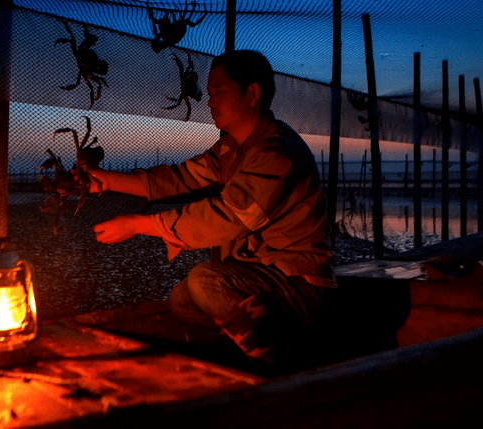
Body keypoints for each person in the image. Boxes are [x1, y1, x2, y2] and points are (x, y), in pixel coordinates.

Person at [87, 50, 336, 370]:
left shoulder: (277, 154)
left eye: (219, 92)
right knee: (183, 298)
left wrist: (140, 224)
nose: (209, 101)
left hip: (302, 289)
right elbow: (181, 178)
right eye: (209, 93)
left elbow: (225, 218)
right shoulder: (232, 149)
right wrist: (105, 181)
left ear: (253, 93)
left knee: (205, 280)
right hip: (265, 281)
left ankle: (280, 369)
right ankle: (256, 346)